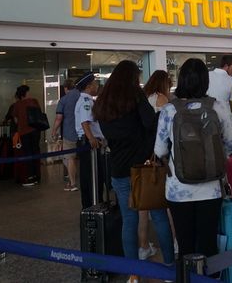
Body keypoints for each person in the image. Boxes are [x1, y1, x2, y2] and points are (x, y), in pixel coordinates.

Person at [95, 62, 175, 283]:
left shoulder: (103, 102)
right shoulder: (136, 96)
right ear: (132, 77)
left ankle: (133, 274)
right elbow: (150, 122)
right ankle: (169, 269)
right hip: (145, 167)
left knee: (128, 221)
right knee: (159, 216)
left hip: (119, 168)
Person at [155, 58, 232, 265]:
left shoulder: (169, 111)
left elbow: (160, 149)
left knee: (185, 245)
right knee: (208, 244)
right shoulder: (217, 107)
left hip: (178, 190)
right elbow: (229, 145)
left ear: (181, 80)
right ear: (204, 81)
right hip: (211, 187)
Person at [140, 69, 174, 259]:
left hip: (145, 155)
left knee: (144, 205)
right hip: (160, 156)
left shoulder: (145, 97)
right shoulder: (162, 99)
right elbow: (166, 130)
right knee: (167, 205)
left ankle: (143, 246)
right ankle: (174, 245)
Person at [74, 72, 105, 209]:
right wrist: (91, 138)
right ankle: (91, 207)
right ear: (88, 86)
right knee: (91, 177)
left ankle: (92, 205)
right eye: (94, 83)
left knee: (91, 176)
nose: (97, 85)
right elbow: (85, 122)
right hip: (89, 143)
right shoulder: (86, 101)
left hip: (88, 141)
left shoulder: (87, 100)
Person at [11, 85, 43, 186]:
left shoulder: (17, 105)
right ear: (25, 93)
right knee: (35, 151)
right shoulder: (34, 101)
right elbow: (39, 113)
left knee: (27, 154)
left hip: (24, 132)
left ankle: (29, 177)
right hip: (35, 131)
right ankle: (37, 176)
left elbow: (16, 120)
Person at [52, 78, 80, 191]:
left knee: (70, 158)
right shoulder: (81, 96)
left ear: (65, 88)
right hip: (84, 132)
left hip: (69, 132)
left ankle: (73, 184)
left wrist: (54, 131)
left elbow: (59, 118)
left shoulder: (63, 100)